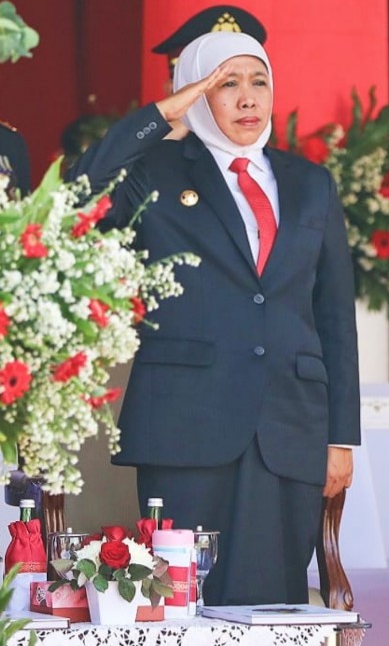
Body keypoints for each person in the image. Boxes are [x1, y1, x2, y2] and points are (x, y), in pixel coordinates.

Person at [68, 31, 360, 606]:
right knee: (185, 602)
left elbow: (334, 315)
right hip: (187, 424)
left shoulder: (310, 184)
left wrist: (341, 436)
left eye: (259, 82)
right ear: (195, 93)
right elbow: (76, 197)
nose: (248, 98)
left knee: (274, 604)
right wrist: (159, 118)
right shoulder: (155, 172)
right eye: (226, 84)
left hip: (289, 427)